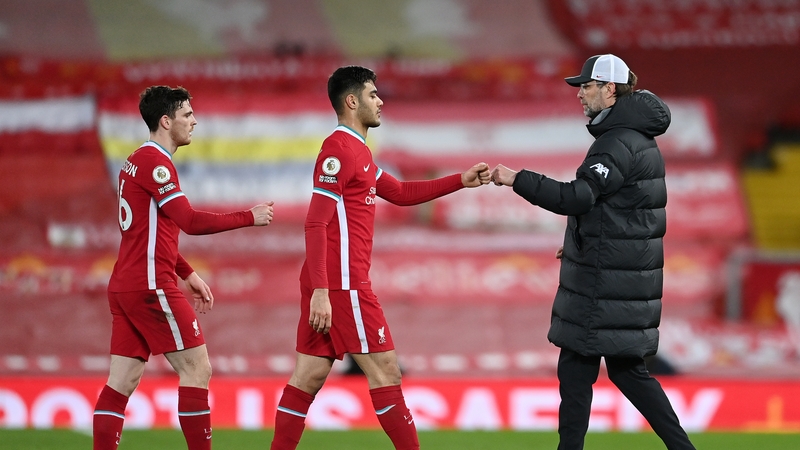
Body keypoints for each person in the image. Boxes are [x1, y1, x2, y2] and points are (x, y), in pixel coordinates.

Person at [269, 66, 491, 450]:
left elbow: (401, 192)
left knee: (307, 378)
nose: (380, 100)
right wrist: (323, 290)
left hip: (332, 282)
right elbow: (314, 224)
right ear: (352, 101)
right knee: (387, 372)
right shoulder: (337, 151)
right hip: (342, 284)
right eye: (373, 94)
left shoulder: (361, 153)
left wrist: (460, 180)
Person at [491, 54, 696, 450]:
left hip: (607, 284)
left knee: (582, 368)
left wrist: (517, 179)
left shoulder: (616, 142)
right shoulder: (635, 136)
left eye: (586, 86)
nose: (580, 94)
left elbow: (578, 197)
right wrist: (578, 243)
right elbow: (622, 214)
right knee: (622, 371)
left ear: (610, 89)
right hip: (619, 276)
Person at [93, 85, 275, 450]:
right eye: (187, 115)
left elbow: (150, 233)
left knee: (122, 382)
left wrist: (186, 271)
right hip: (150, 287)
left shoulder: (135, 161)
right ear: (166, 121)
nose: (195, 121)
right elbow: (189, 221)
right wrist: (248, 217)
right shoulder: (155, 163)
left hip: (127, 284)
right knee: (197, 369)